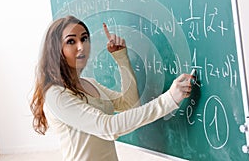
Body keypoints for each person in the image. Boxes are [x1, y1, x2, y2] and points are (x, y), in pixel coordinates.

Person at [30, 15, 194, 161]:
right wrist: (168, 99)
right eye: (71, 41)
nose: (81, 46)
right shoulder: (56, 95)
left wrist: (121, 58)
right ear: (56, 49)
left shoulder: (89, 83)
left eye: (85, 38)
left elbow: (129, 103)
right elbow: (107, 127)